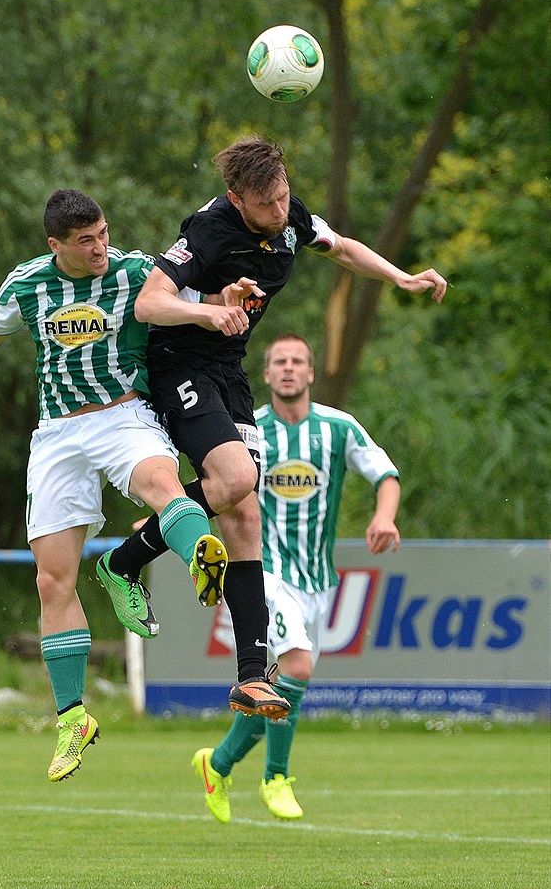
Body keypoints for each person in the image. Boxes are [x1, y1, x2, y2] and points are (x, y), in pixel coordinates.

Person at [99, 135, 444, 723]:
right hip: (179, 363)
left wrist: (401, 278)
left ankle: (250, 678)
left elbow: (341, 248)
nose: (279, 211)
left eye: (283, 198)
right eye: (266, 205)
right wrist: (210, 310)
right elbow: (149, 304)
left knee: (245, 508)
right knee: (234, 478)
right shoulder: (208, 231)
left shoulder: (289, 212)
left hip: (226, 368)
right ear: (237, 198)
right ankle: (127, 558)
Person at [0, 188, 228, 782]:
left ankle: (200, 550)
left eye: (101, 234)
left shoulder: (137, 271)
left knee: (160, 480)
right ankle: (73, 717)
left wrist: (226, 300)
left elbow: (194, 300)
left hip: (124, 415)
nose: (99, 248)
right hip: (57, 436)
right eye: (84, 241)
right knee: (51, 580)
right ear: (56, 245)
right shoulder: (28, 284)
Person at [192, 333, 401, 822]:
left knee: (286, 686)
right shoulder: (247, 431)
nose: (288, 368)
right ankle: (276, 778)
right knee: (298, 668)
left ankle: (217, 764)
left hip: (317, 579)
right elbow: (217, 487)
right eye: (279, 361)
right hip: (263, 572)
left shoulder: (337, 428)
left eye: (298, 361)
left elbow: (385, 475)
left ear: (310, 373)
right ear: (265, 375)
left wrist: (384, 516)